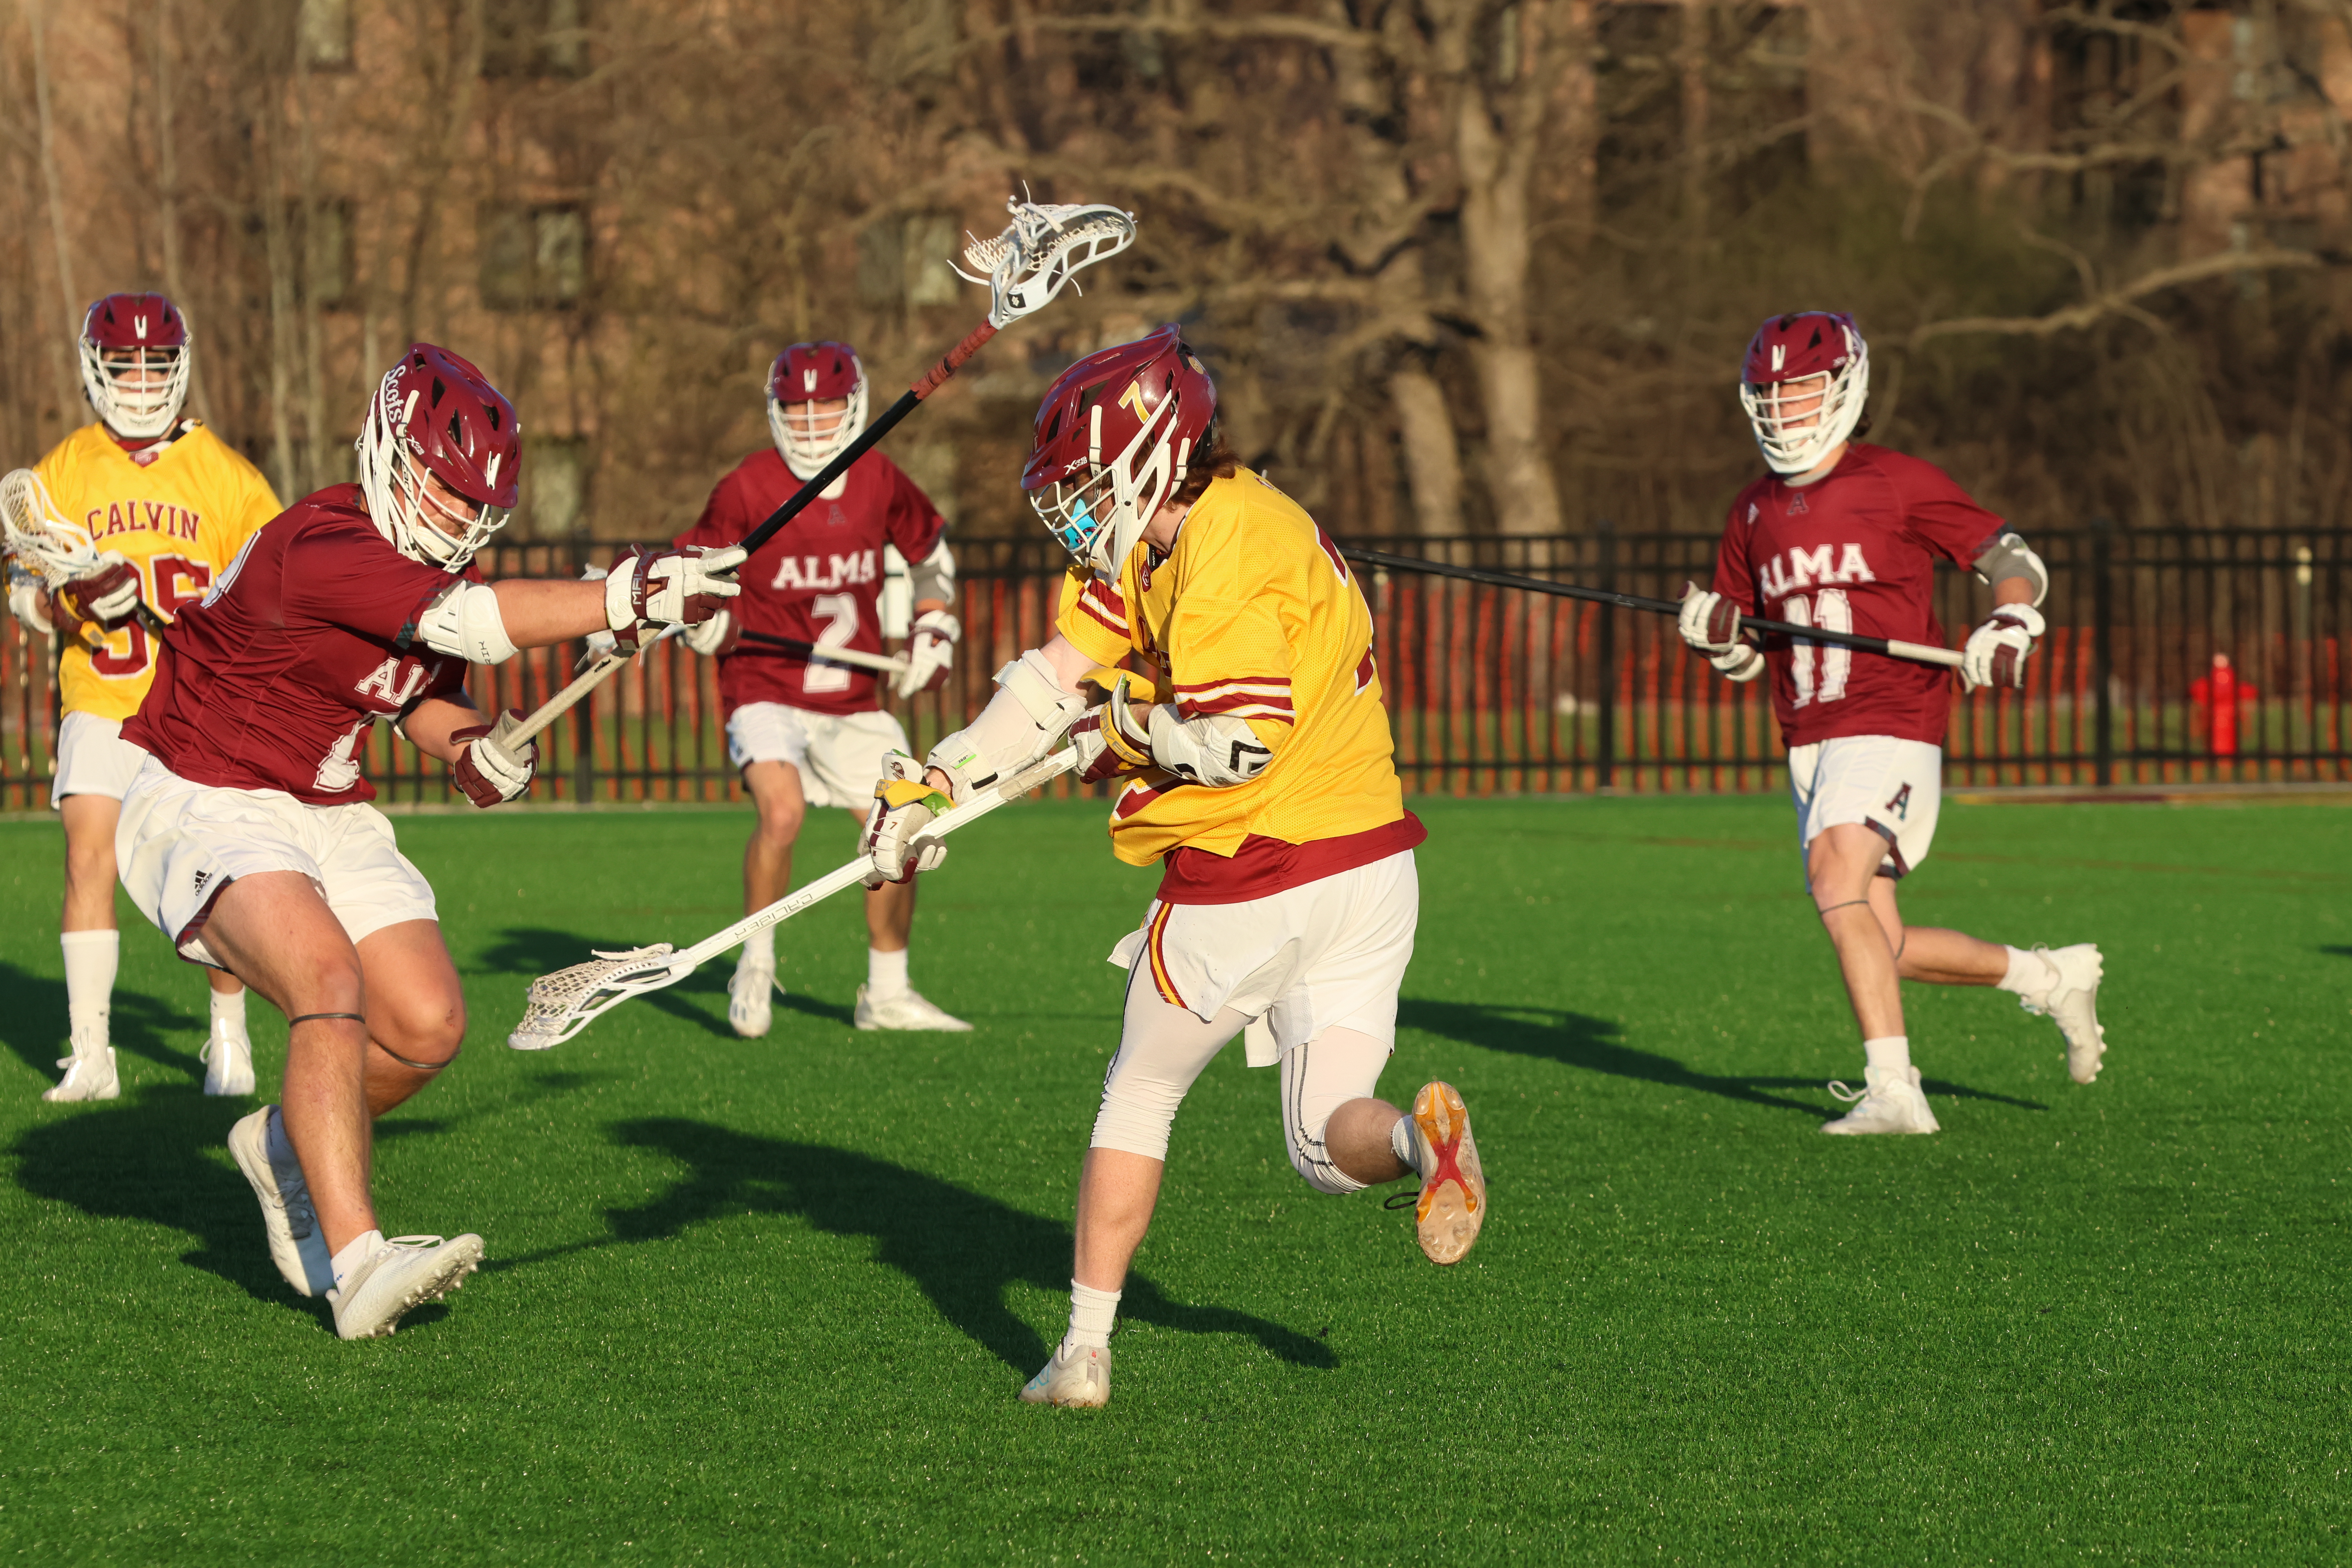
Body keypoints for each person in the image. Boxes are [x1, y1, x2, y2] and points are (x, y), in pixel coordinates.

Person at [860, 324, 1487, 1409]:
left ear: (1150, 450)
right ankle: (1415, 1138)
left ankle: (1085, 1353)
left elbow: (1238, 733)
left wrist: (1119, 729)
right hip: (1373, 872)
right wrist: (946, 776)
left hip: (1255, 869)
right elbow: (1058, 676)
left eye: (1085, 483)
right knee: (1321, 1140)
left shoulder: (1227, 544)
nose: (1072, 508)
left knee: (1140, 1091)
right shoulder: (1173, 539)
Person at [115, 344, 740, 1338]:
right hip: (208, 790)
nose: (455, 524)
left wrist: (472, 747)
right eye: (442, 496)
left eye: (473, 511)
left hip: (323, 801)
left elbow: (420, 693)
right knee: (328, 981)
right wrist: (626, 595)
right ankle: (358, 1261)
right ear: (387, 455)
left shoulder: (419, 567)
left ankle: (285, 1147)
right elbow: (476, 624)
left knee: (425, 1026)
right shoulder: (321, 544)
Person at [1677, 311, 2106, 1136]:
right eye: (1772, 395)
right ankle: (2049, 977)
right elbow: (1751, 650)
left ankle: (1894, 1090)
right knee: (1884, 940)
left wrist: (2009, 624)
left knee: (1837, 878)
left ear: (1845, 390)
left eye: (1802, 390)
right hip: (1809, 735)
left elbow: (2009, 559)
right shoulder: (1754, 512)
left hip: (1894, 718)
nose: (1786, 410)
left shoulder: (1895, 481)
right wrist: (1717, 641)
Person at [7, 294, 281, 1103]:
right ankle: (92, 1050)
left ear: (179, 367)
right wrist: (74, 605)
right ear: (96, 367)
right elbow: (26, 587)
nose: (138, 379)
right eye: (123, 363)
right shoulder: (67, 466)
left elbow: (270, 594)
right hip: (103, 691)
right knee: (86, 853)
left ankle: (229, 1041)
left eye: (154, 363)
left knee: (217, 873)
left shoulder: (230, 478)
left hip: (199, 704)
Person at [672, 341, 968, 1036]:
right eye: (797, 408)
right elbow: (693, 574)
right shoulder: (748, 486)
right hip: (765, 683)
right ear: (775, 412)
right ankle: (756, 958)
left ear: (856, 403)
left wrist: (934, 628)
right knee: (782, 812)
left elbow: (931, 557)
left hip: (854, 698)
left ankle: (887, 991)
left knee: (909, 820)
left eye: (826, 405)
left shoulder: (878, 479)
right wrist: (703, 622)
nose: (811, 421)